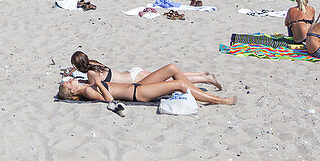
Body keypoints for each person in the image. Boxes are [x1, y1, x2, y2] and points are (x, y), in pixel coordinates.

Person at [57, 63, 236, 109]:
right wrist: (98, 84)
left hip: (137, 85)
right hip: (139, 93)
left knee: (171, 68)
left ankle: (197, 90)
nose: (70, 79)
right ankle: (220, 100)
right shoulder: (88, 91)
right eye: (68, 82)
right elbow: (109, 100)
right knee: (179, 85)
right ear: (73, 91)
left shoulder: (88, 84)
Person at [69, 51, 221, 89]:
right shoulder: (94, 63)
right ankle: (201, 74)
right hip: (133, 72)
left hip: (137, 81)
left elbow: (96, 85)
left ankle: (206, 79)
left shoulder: (91, 73)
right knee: (168, 77)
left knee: (169, 79)